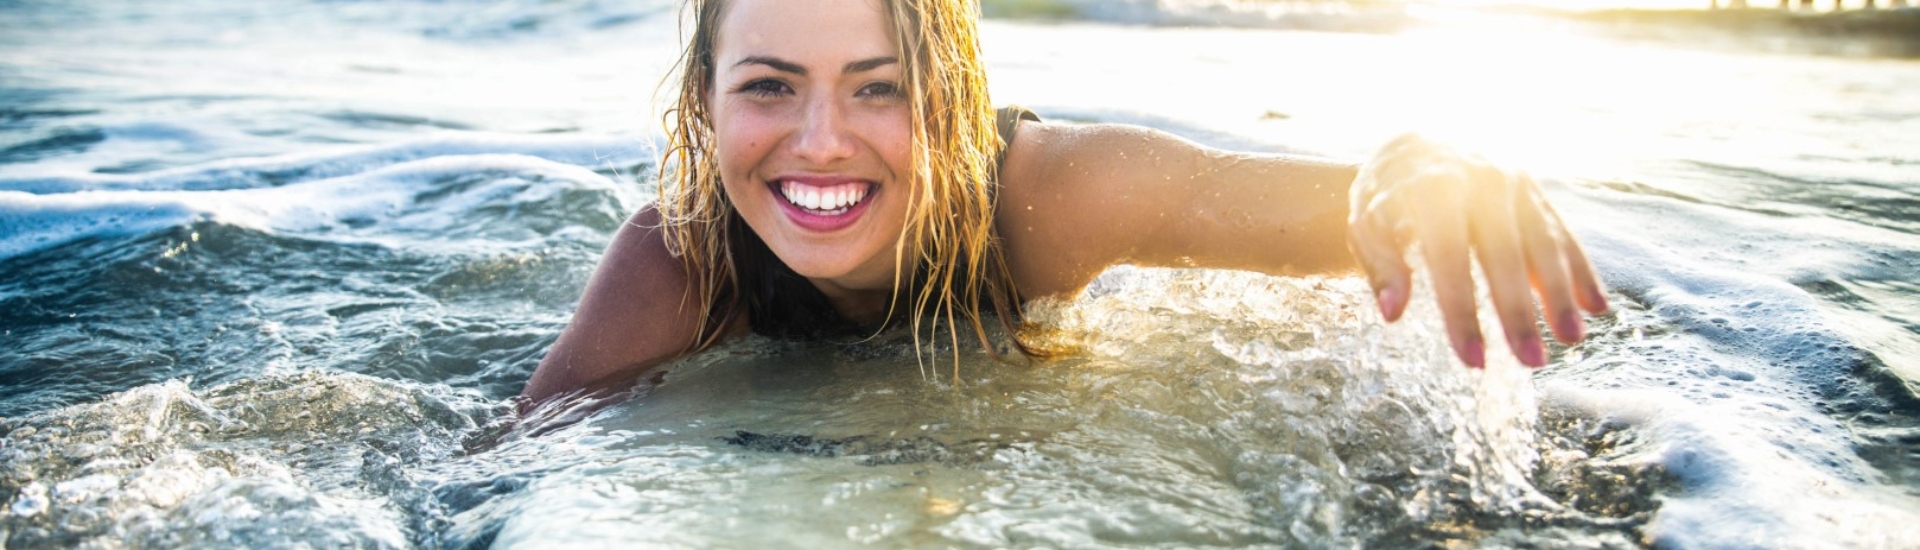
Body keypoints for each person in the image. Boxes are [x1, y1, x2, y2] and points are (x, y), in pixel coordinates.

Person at [518, 0, 1609, 406]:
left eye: (879, 87)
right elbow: (503, 465)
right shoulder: (680, 264)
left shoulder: (1055, 197)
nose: (819, 142)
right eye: (768, 85)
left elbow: (1359, 212)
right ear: (704, 112)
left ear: (951, 107)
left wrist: (1425, 171)